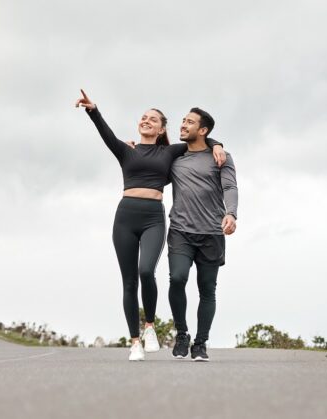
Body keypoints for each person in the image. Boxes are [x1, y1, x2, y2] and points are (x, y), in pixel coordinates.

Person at [75, 90, 225, 361]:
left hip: (153, 217)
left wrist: (217, 144)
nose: (146, 121)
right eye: (143, 117)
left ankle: (150, 326)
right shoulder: (125, 149)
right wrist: (93, 110)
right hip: (125, 217)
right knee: (129, 280)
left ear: (162, 128)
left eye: (153, 119)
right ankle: (135, 342)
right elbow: (104, 133)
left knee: (147, 271)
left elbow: (198, 140)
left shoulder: (170, 151)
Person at [166, 108, 238, 361]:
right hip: (180, 230)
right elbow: (150, 159)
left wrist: (231, 213)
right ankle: (182, 334)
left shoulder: (222, 157)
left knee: (207, 289)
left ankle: (200, 343)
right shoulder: (175, 157)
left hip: (211, 232)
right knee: (177, 278)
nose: (183, 125)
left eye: (189, 122)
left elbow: (229, 186)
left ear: (203, 130)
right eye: (183, 120)